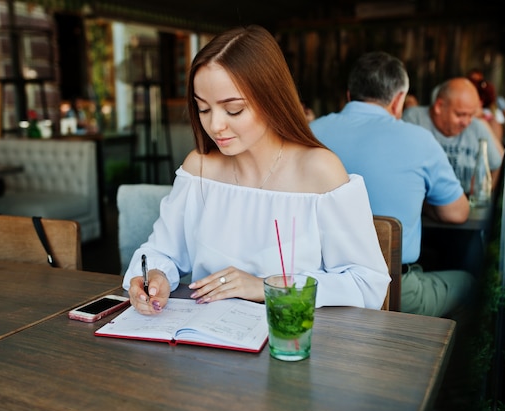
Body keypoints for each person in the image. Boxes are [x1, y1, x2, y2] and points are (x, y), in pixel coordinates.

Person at [123, 25, 390, 315]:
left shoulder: (319, 171)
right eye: (203, 108)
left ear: (271, 99)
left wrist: (267, 286)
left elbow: (367, 284)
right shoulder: (199, 169)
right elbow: (161, 252)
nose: (215, 126)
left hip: (292, 342)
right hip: (207, 341)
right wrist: (156, 276)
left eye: (233, 109)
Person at [310, 51, 473, 318]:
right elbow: (457, 213)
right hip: (395, 292)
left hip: (320, 287)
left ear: (349, 95)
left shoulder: (310, 132)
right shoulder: (420, 140)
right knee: (468, 281)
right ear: (399, 101)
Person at [403, 77, 504, 194]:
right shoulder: (414, 120)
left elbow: (495, 164)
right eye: (460, 115)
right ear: (439, 106)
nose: (466, 122)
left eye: (471, 115)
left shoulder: (477, 126)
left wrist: (483, 196)